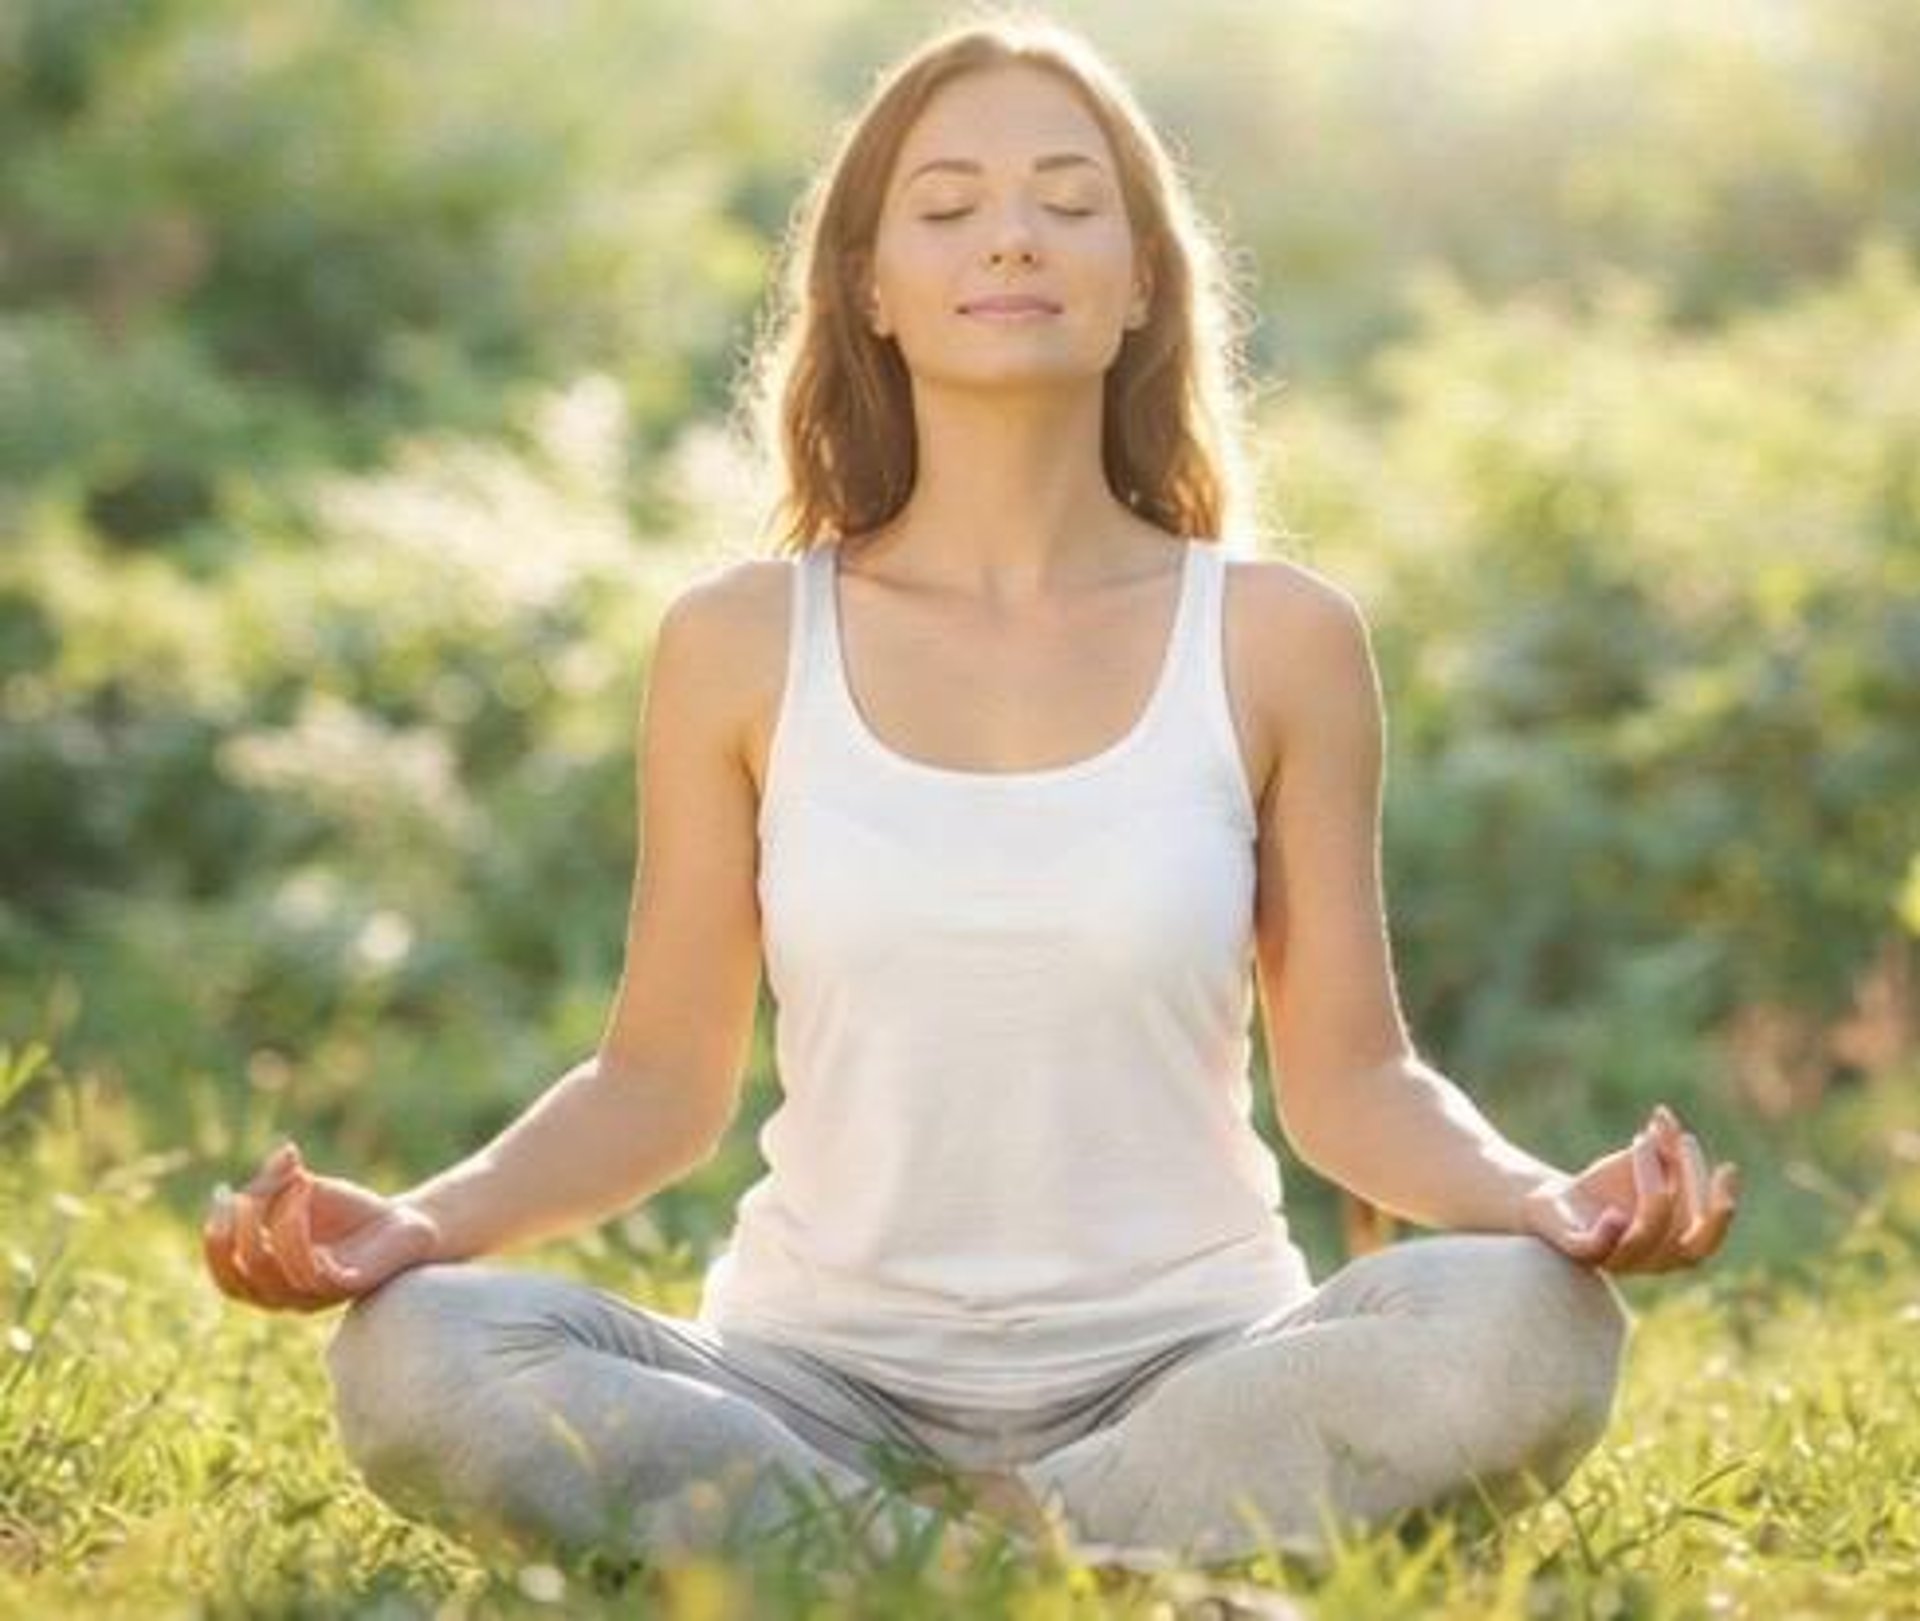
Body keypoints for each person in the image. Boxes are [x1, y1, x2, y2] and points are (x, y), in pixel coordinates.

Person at [200, 15, 1741, 1577]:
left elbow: (1354, 1083)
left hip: (1190, 1368)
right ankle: (1082, 1571)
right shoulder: (739, 641)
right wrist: (422, 1223)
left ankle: (900, 1565)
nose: (1012, 234)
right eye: (948, 206)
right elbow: (659, 1087)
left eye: (1070, 201)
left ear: (1144, 279)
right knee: (415, 1354)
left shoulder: (1280, 637)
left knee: (1529, 1324)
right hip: (809, 1383)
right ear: (869, 286)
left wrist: (1545, 1199)